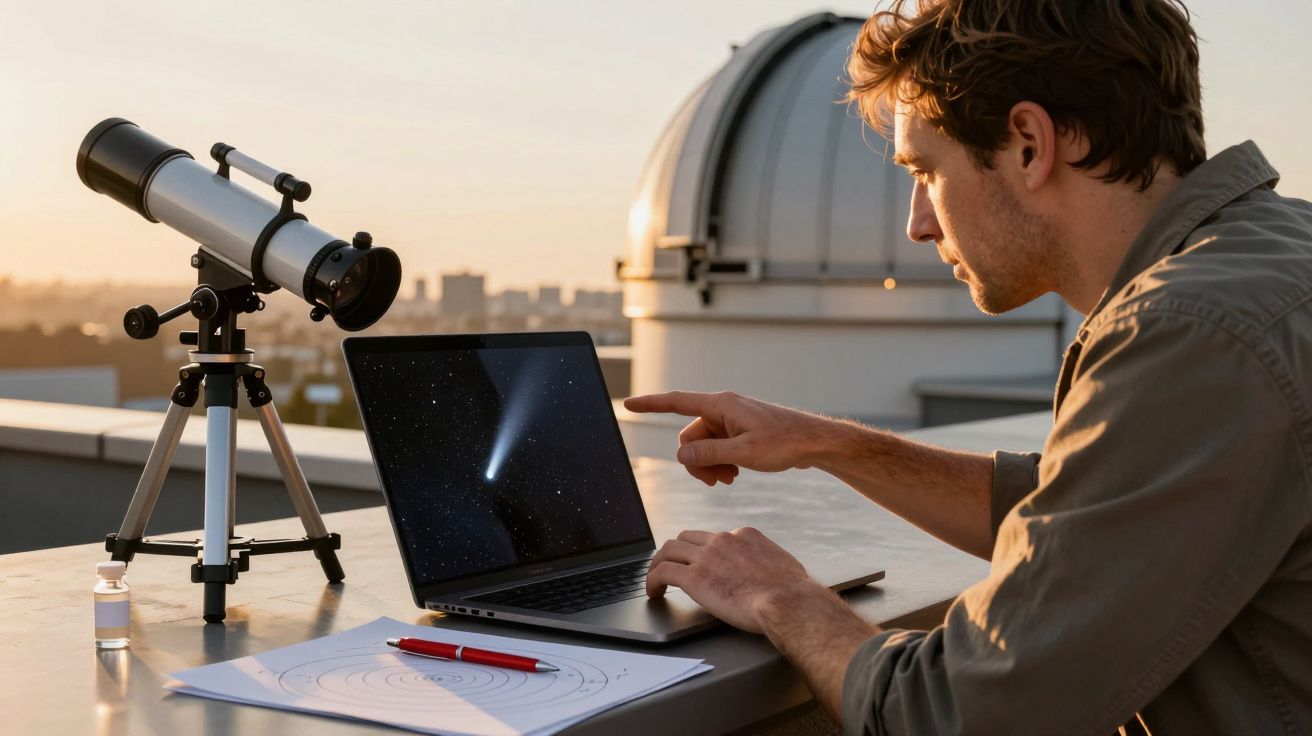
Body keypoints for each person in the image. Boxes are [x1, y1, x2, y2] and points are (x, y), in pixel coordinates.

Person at [625, 0, 1312, 733]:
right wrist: (826, 443)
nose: (918, 222)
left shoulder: (1193, 336)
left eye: (927, 172)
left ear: (1027, 143)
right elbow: (1097, 517)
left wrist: (780, 596)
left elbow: (959, 714)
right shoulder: (1270, 256)